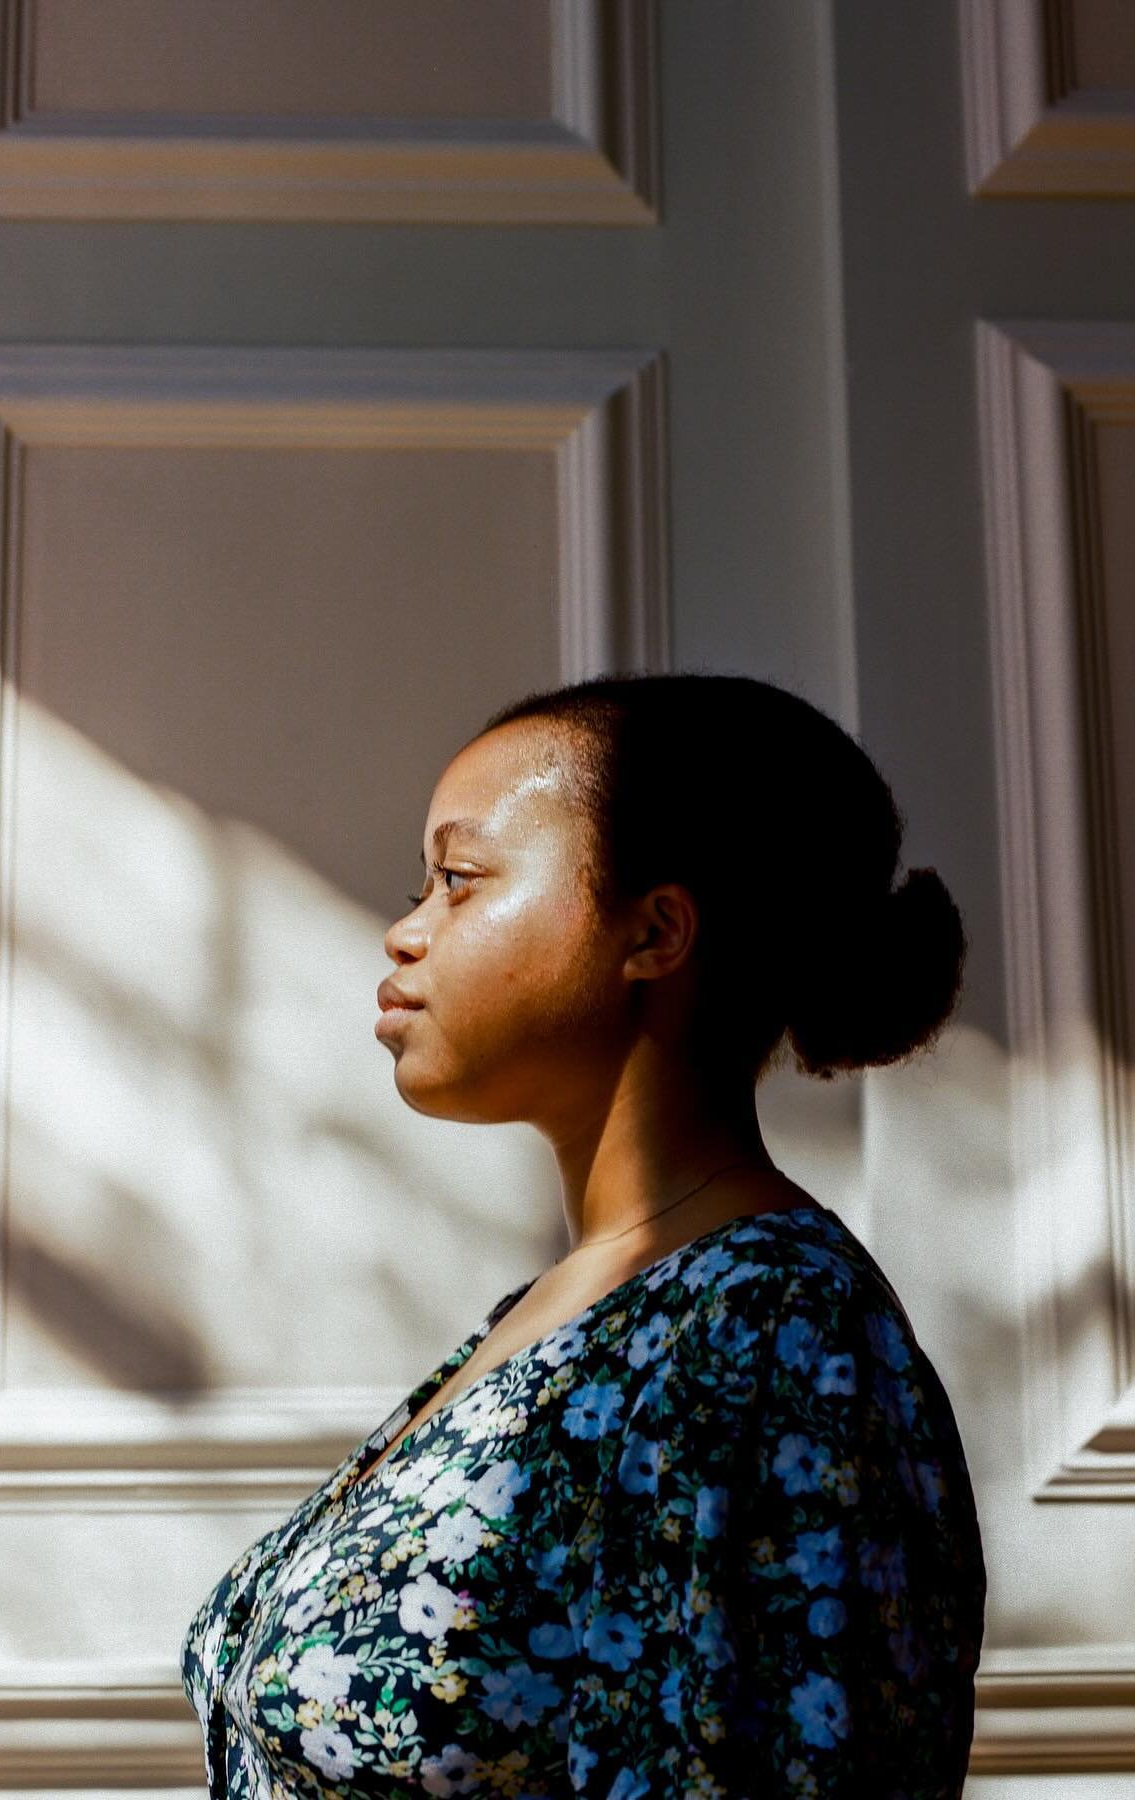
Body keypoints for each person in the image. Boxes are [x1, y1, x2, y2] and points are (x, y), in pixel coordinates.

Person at [181, 670, 986, 1798]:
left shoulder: (773, 1333)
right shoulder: (567, 1314)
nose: (406, 932)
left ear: (654, 931)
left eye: (458, 881)